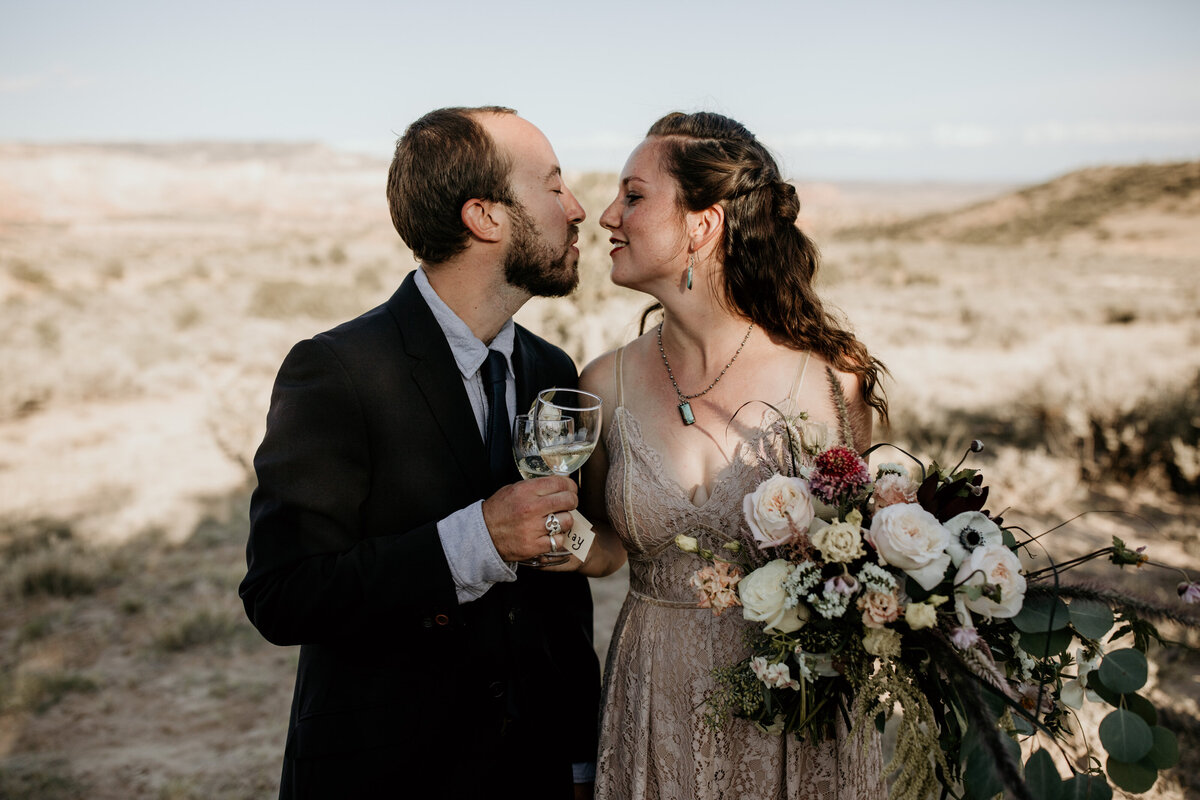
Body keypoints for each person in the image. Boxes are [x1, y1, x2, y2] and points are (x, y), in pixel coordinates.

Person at [239, 106, 601, 800]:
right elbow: (281, 595)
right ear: (485, 217)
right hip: (388, 776)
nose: (578, 208)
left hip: (532, 777)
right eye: (553, 187)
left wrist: (578, 761)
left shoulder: (552, 371)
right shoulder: (338, 371)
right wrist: (477, 541)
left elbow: (561, 601)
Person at [575, 112, 890, 798]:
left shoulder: (830, 382)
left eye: (633, 196)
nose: (606, 216)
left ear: (702, 224)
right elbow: (606, 546)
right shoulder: (604, 384)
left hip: (793, 710)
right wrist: (549, 537)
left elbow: (863, 557)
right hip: (654, 694)